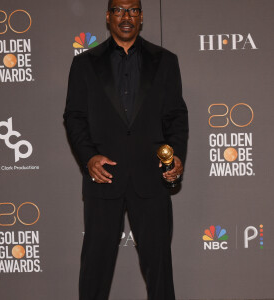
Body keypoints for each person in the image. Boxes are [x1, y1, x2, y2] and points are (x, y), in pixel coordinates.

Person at [63, 0, 188, 299]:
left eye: (133, 10)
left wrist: (177, 156)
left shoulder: (165, 61)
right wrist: (89, 157)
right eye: (119, 10)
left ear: (142, 17)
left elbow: (175, 117)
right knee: (94, 269)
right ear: (108, 17)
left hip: (151, 179)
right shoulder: (84, 64)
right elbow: (74, 117)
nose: (126, 16)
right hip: (104, 177)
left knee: (159, 270)